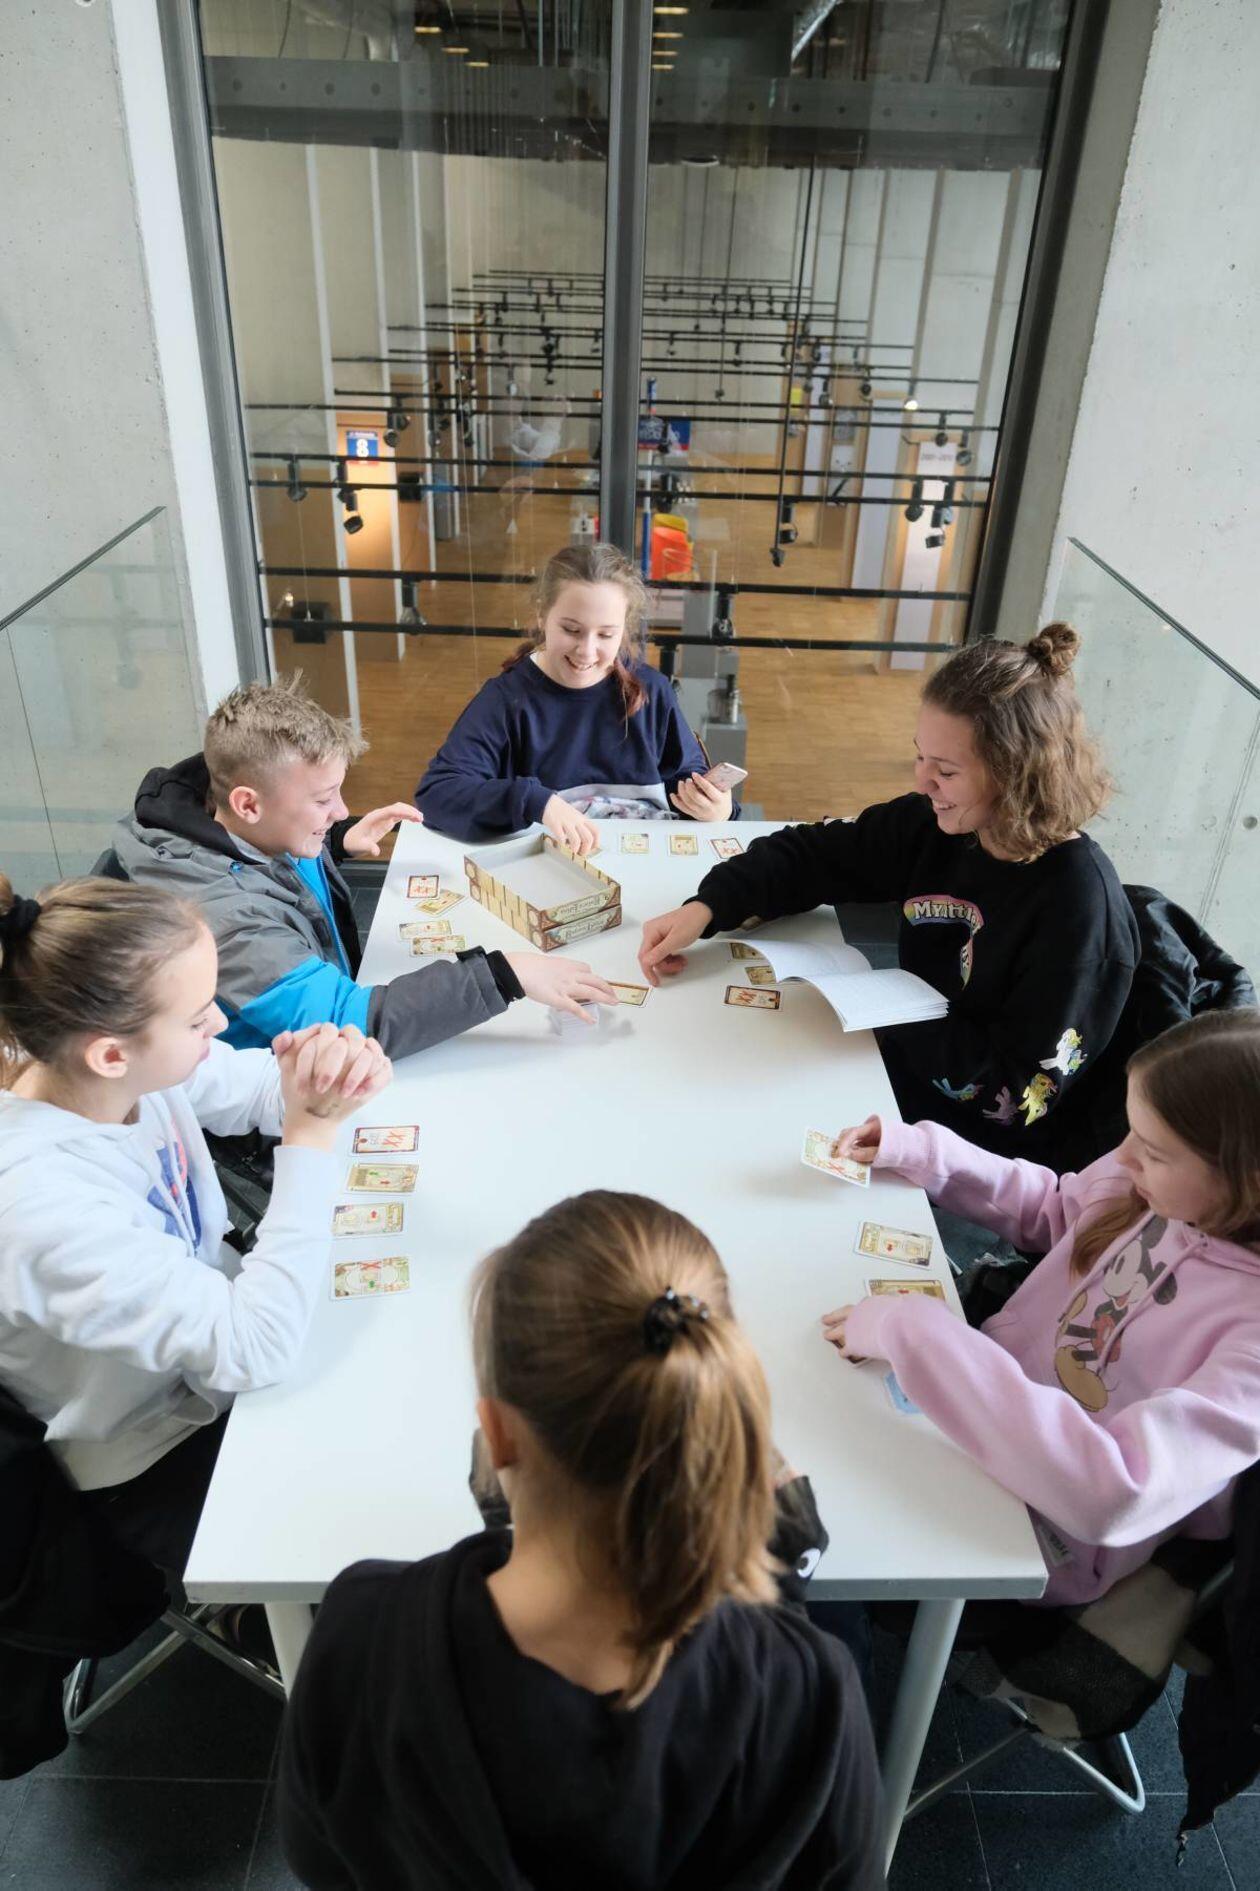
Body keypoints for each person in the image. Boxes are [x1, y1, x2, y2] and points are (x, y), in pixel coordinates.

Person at [278, 1192, 884, 1891]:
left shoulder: (361, 1635)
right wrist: (779, 1593)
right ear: (714, 1417)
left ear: (495, 1435)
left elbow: (319, 1861)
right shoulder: (810, 1696)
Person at [0, 872, 390, 1579]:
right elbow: (256, 1346)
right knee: (376, 1528)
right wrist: (308, 1137)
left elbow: (261, 1089)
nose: (218, 1024)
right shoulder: (38, 1205)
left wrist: (332, 1069)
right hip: (154, 1448)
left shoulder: (118, 1072)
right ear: (110, 1053)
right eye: (195, 1017)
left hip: (217, 1363)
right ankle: (258, 1617)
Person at [639, 625, 1138, 1170]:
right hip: (879, 1062)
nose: (923, 783)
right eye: (921, 757)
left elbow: (1017, 1099)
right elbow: (814, 854)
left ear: (1016, 774)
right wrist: (708, 907)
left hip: (956, 1145)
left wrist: (896, 1013)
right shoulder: (944, 821)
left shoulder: (1079, 910)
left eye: (946, 771)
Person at [820, 1009, 1260, 1615]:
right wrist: (927, 1153)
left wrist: (916, 1333)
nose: (1123, 1157)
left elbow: (1113, 1492)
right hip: (969, 1392)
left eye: (1154, 1152)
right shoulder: (1151, 1181)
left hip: (1042, 1532)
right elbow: (1055, 1210)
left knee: (805, 1541)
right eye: (1131, 1131)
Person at [113, 675, 617, 1053]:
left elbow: (261, 865)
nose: (339, 810)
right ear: (248, 803)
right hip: (287, 1088)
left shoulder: (236, 814)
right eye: (323, 800)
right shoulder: (224, 921)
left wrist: (334, 839)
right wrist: (506, 974)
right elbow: (350, 1023)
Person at [414, 542, 737, 851]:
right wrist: (535, 802)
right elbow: (437, 793)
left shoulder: (653, 690)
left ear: (624, 630)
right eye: (571, 630)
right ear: (542, 616)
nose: (586, 651)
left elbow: (689, 783)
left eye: (606, 634)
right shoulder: (505, 700)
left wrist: (718, 809)